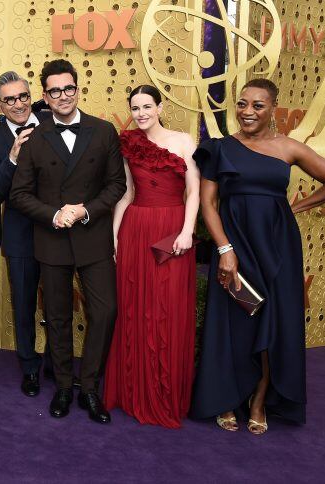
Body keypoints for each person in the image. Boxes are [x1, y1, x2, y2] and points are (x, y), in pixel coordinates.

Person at [190, 78, 325, 434]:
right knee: (233, 319)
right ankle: (227, 398)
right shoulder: (220, 148)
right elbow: (208, 204)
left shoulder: (288, 147)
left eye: (258, 105)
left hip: (278, 248)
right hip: (234, 245)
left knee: (271, 322)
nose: (248, 112)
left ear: (272, 109)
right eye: (243, 104)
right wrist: (225, 249)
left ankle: (259, 400)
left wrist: (297, 207)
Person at [10, 59, 126, 423]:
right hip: (52, 239)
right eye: (55, 90)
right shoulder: (32, 137)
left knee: (105, 311)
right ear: (45, 95)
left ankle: (89, 386)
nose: (62, 95)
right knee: (57, 317)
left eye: (68, 88)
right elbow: (20, 193)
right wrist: (54, 214)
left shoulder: (104, 130)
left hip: (93, 237)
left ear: (78, 89)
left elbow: (116, 186)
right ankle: (62, 385)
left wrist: (85, 211)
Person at [102, 85, 199, 428]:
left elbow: (193, 191)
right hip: (136, 228)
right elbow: (127, 193)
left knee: (168, 309)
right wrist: (115, 235)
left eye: (147, 106)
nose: (141, 113)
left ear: (160, 107)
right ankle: (134, 391)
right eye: (135, 107)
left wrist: (188, 231)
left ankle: (165, 392)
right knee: (135, 309)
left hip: (173, 227)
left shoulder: (184, 141)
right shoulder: (128, 143)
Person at [0, 71, 50, 396]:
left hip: (58, 230)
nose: (19, 104)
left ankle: (57, 363)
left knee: (57, 303)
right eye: (10, 100)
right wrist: (11, 157)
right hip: (20, 233)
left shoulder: (53, 122)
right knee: (23, 304)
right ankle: (30, 368)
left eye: (23, 96)